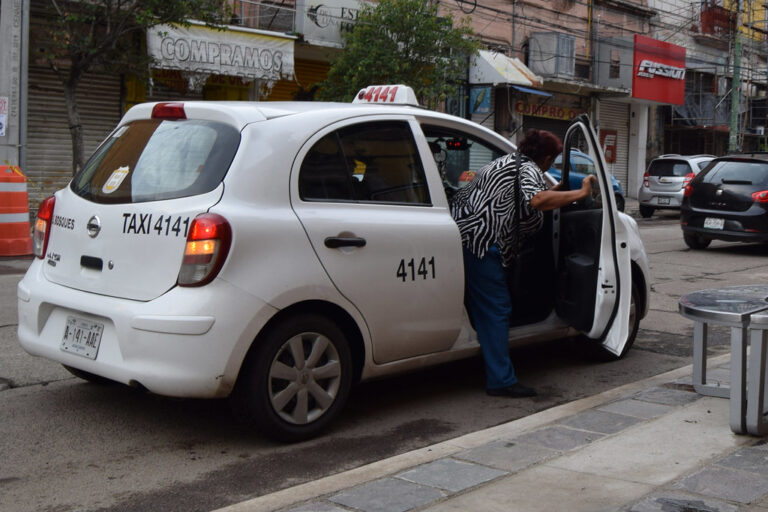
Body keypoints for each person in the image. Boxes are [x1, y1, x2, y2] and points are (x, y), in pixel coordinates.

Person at [450, 129, 596, 398]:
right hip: (482, 243)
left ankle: (491, 367)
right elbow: (537, 200)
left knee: (485, 307)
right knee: (496, 309)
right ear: (548, 158)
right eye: (553, 161)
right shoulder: (528, 168)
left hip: (465, 238)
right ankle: (501, 380)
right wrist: (580, 192)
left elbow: (525, 197)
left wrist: (556, 191)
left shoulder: (506, 162)